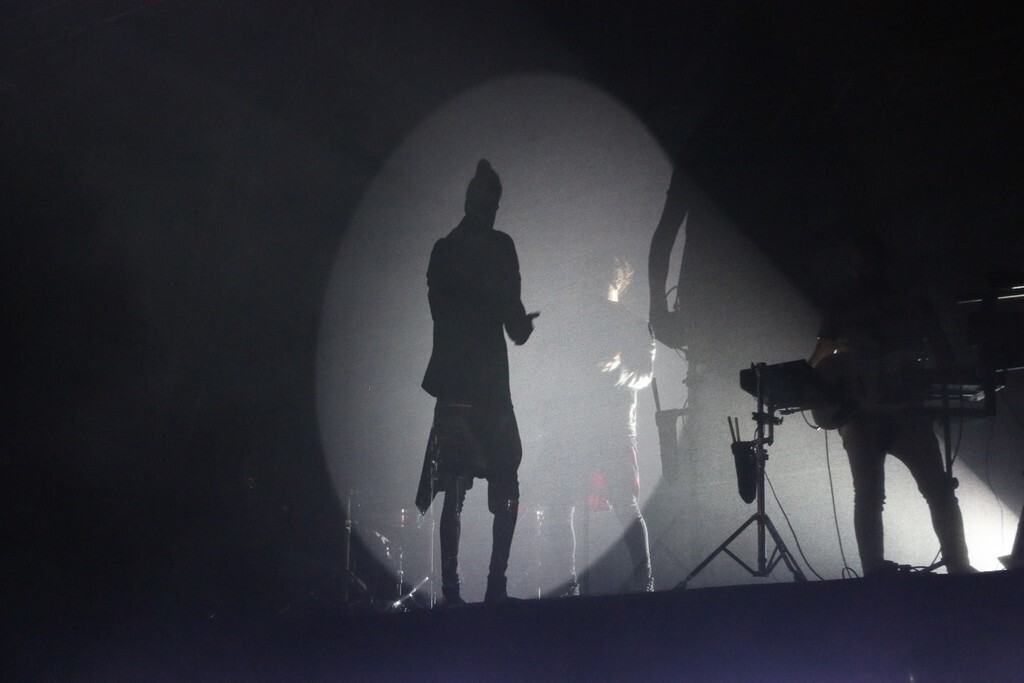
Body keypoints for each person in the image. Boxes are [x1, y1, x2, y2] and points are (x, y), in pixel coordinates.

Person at [808, 231, 974, 576]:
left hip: (883, 412)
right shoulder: (901, 299)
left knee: (884, 494)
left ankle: (881, 571)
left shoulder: (854, 302)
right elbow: (942, 350)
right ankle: (957, 566)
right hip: (890, 413)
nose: (861, 268)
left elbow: (824, 353)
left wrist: (811, 385)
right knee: (932, 490)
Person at [415, 159, 539, 606]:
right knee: (502, 482)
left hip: (456, 385)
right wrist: (522, 324)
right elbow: (514, 324)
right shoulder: (498, 247)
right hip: (487, 386)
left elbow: (443, 313)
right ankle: (494, 586)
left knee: (455, 487)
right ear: (490, 204)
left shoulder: (444, 250)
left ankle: (454, 591)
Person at [565, 257, 655, 594]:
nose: (596, 285)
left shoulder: (634, 324)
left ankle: (644, 581)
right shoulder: (579, 323)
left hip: (615, 426)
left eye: (604, 278)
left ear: (619, 281)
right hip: (577, 425)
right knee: (566, 501)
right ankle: (571, 583)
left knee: (624, 503)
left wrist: (618, 371)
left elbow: (645, 375)